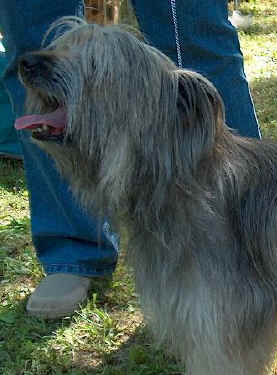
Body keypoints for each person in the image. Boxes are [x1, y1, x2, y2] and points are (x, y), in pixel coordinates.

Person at [0, 1, 260, 318]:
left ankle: (245, 234)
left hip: (234, 211)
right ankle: (71, 251)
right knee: (32, 34)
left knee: (192, 33)